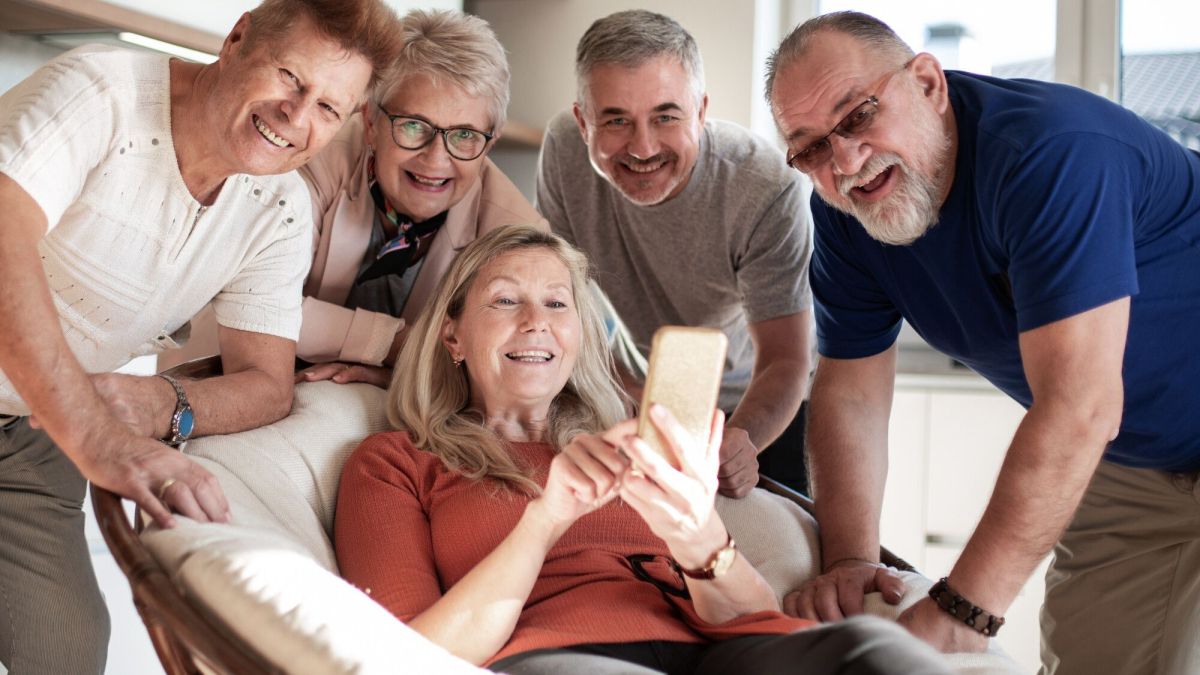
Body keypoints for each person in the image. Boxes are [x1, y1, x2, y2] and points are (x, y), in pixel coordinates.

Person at [765, 10, 1200, 674]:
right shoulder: (846, 219)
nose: (845, 161)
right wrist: (852, 559)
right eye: (810, 148)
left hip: (1098, 425)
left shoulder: (1049, 153)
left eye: (857, 117)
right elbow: (850, 391)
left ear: (928, 83)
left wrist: (961, 611)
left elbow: (1080, 405)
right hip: (1128, 465)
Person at [333, 224, 951, 674]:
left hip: (721, 653)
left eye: (557, 302)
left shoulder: (627, 445)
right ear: (453, 337)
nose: (536, 321)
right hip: (559, 659)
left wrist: (695, 532)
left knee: (880, 653)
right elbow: (408, 657)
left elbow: (750, 616)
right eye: (504, 301)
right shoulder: (397, 464)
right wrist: (546, 517)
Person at [0, 1, 400, 671]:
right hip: (70, 426)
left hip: (37, 445)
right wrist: (98, 437)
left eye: (328, 109)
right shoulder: (100, 94)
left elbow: (266, 384)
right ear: (239, 37)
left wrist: (164, 402)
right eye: (288, 77)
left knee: (67, 649)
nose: (297, 118)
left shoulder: (277, 210)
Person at [164, 9, 546, 388]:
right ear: (369, 123)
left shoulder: (518, 235)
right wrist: (396, 344)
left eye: (464, 135)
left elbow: (515, 363)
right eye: (413, 125)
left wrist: (399, 379)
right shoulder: (302, 157)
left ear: (489, 145)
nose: (436, 158)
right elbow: (249, 301)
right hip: (224, 378)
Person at [535, 10, 815, 498]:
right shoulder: (562, 149)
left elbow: (786, 358)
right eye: (616, 120)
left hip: (760, 405)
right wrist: (626, 398)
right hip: (638, 392)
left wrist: (737, 440)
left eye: (666, 116)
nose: (642, 147)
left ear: (701, 112)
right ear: (583, 123)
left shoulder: (766, 188)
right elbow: (562, 298)